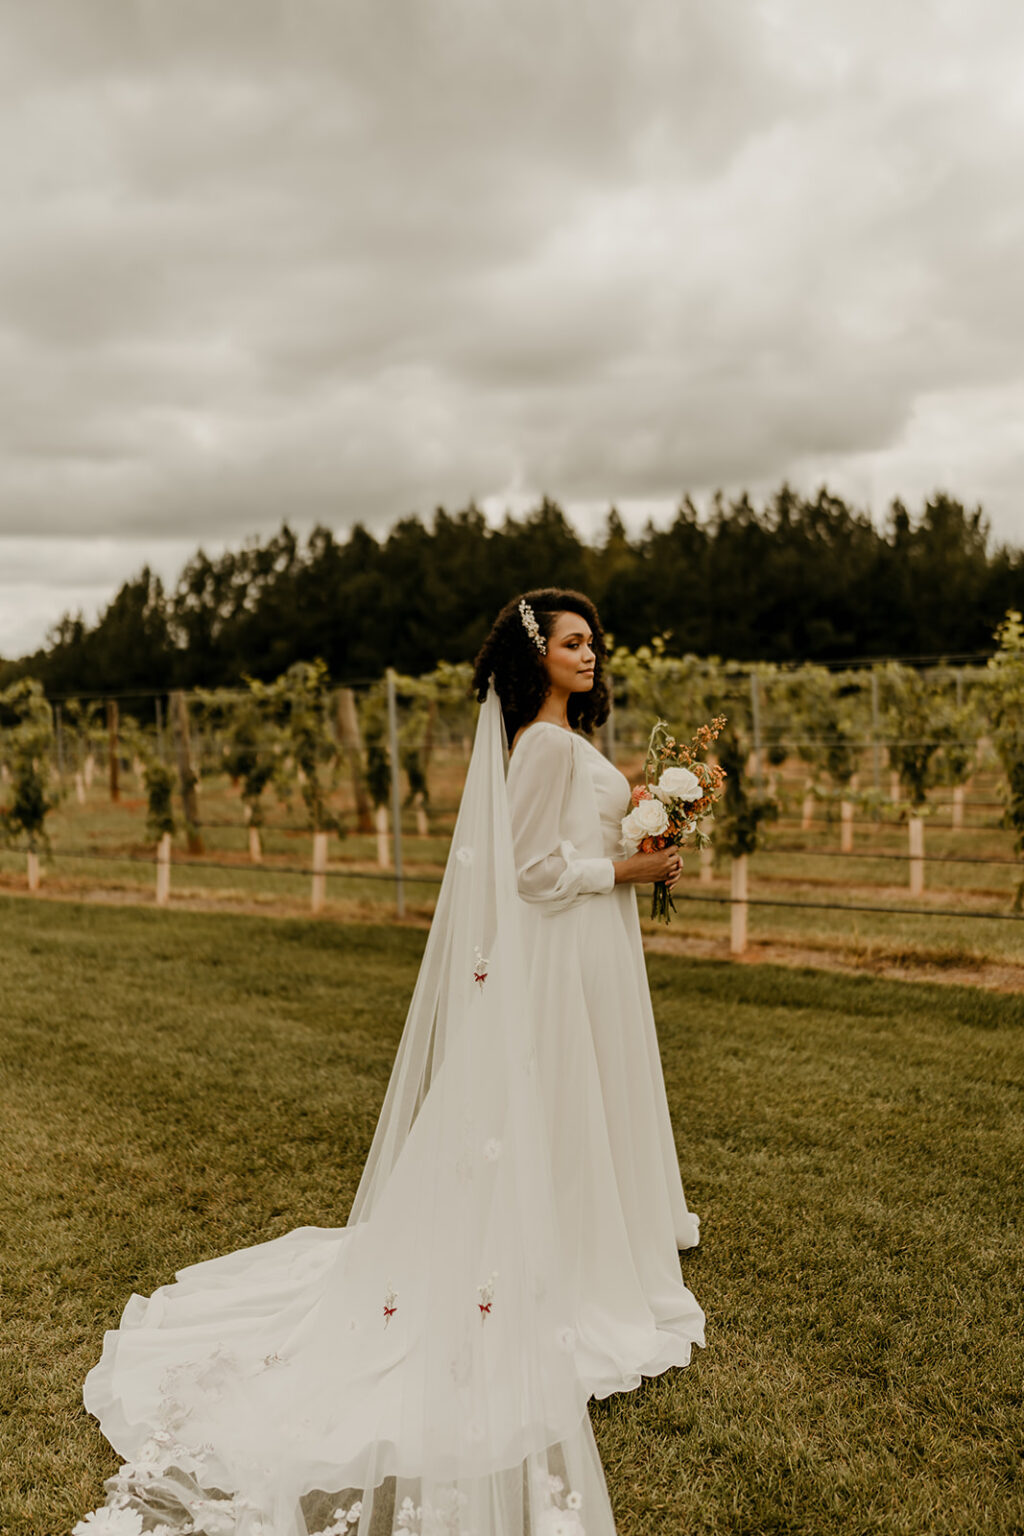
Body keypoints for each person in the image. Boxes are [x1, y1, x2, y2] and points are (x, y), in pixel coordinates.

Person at [75, 590, 704, 1536]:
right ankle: (569, 1259)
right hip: (564, 955)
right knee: (560, 1106)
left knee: (589, 1104)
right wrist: (629, 871)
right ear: (536, 660)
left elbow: (571, 844)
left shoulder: (564, 745)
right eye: (573, 642)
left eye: (595, 642)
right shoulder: (537, 746)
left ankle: (599, 1231)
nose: (590, 653)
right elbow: (533, 876)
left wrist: (645, 833)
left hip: (594, 954)